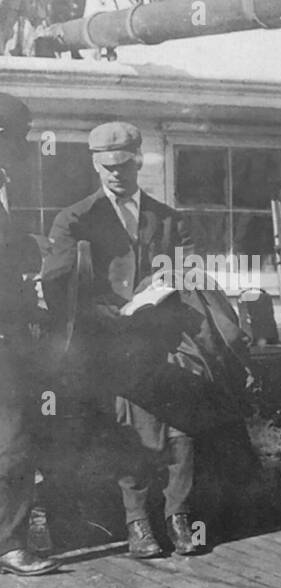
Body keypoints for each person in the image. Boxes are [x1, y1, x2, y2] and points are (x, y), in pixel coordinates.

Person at [41, 121, 216, 560]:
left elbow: (193, 265)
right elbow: (61, 288)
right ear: (95, 164)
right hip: (109, 345)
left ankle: (179, 516)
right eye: (107, 166)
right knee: (128, 429)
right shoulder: (75, 219)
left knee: (182, 427)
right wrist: (110, 313)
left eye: (124, 165)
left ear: (139, 160)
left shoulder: (168, 218)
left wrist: (170, 279)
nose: (116, 174)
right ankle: (138, 523)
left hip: (163, 339)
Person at [0, 92, 58, 576]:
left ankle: (10, 543)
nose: (23, 148)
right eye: (17, 139)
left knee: (15, 442)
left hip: (10, 339)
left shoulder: (6, 186)